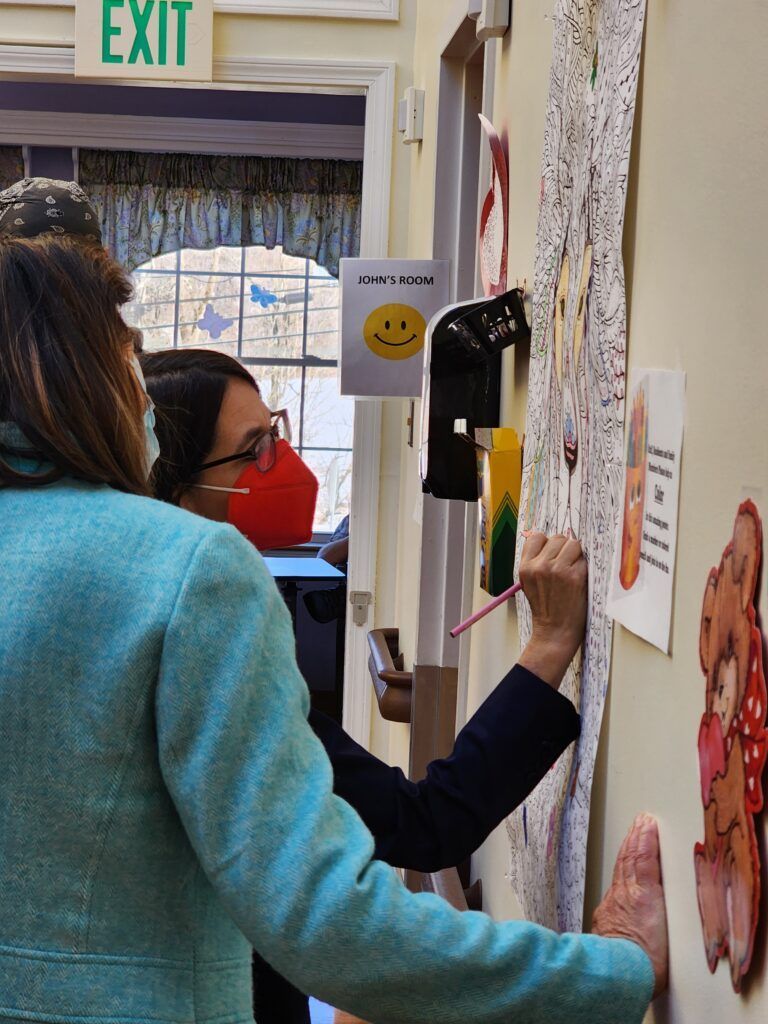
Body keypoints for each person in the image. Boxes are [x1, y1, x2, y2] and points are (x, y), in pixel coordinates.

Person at [0, 233, 667, 1024]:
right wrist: (611, 972)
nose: (137, 396)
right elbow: (335, 908)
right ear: (77, 382)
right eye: (124, 360)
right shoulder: (186, 574)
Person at [139, 347, 578, 1021]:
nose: (281, 465)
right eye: (253, 450)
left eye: (275, 432)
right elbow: (426, 824)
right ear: (171, 484)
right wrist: (548, 645)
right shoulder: (204, 661)